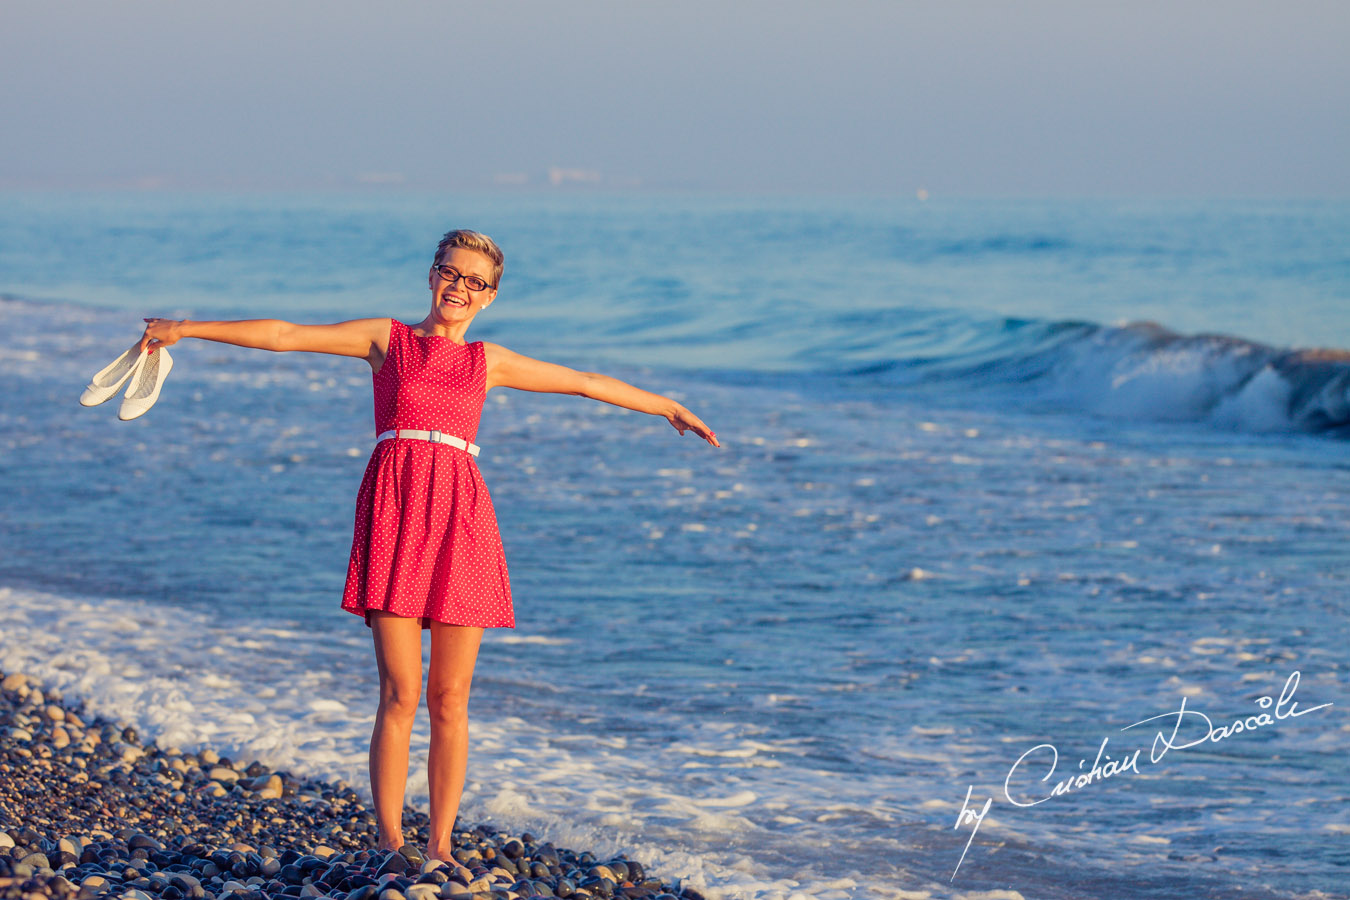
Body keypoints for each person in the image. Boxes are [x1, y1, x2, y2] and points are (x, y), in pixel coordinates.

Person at [137, 229, 719, 861]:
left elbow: (583, 381)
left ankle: (439, 844)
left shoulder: (487, 361)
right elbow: (285, 334)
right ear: (432, 273)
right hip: (395, 515)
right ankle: (389, 841)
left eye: (476, 281)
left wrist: (667, 407)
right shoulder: (387, 340)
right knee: (400, 693)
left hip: (462, 521)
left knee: (450, 698)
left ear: (491, 296)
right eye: (452, 272)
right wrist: (187, 329)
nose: (460, 288)